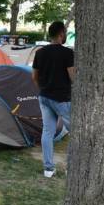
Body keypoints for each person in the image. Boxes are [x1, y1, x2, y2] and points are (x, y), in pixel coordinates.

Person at [32, 21, 75, 178]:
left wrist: (42, 89)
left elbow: (34, 77)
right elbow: (72, 76)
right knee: (75, 132)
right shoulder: (68, 53)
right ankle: (72, 168)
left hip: (44, 97)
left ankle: (48, 169)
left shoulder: (40, 52)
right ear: (61, 34)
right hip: (62, 99)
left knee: (47, 132)